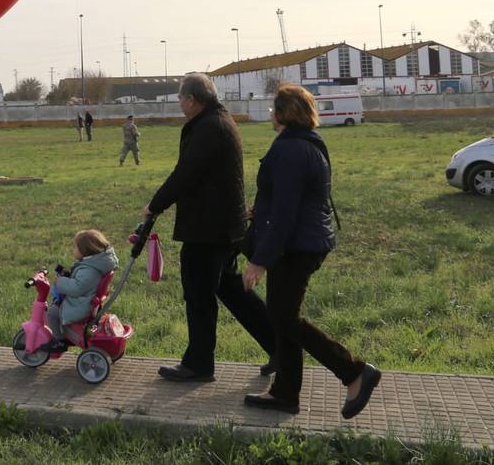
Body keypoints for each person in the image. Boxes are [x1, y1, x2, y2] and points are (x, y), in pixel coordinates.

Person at [241, 84, 380, 418]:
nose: (271, 115)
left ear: (284, 113)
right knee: (281, 318)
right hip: (303, 241)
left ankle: (353, 372)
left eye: (274, 109)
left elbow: (288, 211)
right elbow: (295, 199)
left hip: (296, 246)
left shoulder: (289, 150)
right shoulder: (308, 143)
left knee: (285, 318)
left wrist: (259, 260)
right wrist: (260, 211)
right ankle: (285, 394)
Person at [143, 73, 275, 383]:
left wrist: (154, 205)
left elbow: (185, 173)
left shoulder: (209, 127)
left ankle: (199, 364)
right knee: (231, 289)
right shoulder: (219, 120)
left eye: (180, 98)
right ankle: (280, 345)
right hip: (223, 225)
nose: (179, 103)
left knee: (199, 294)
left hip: (208, 227)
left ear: (192, 99)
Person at [44, 229, 119, 352]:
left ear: (85, 250)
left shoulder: (89, 270)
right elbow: (82, 284)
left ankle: (60, 341)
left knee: (52, 313)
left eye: (75, 247)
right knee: (56, 307)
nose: (73, 250)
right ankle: (64, 336)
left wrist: (60, 282)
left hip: (80, 306)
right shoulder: (93, 265)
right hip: (85, 300)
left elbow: (77, 288)